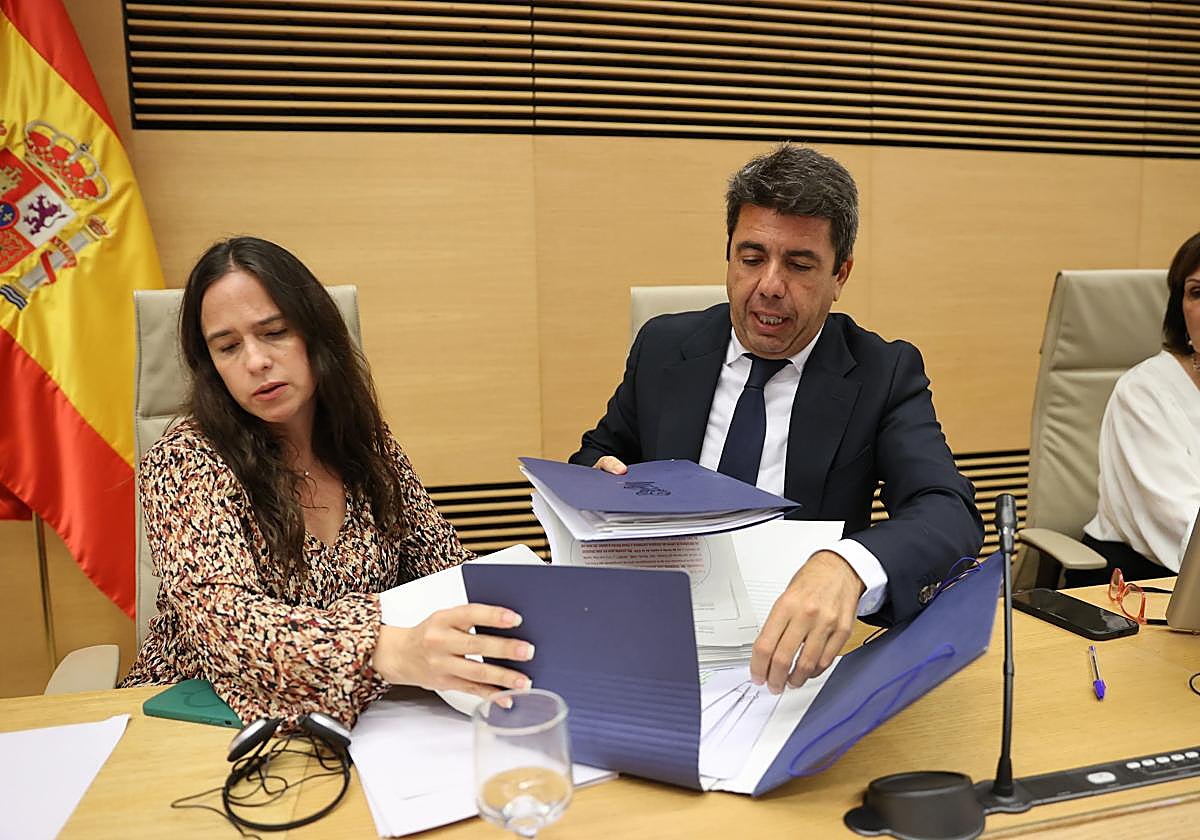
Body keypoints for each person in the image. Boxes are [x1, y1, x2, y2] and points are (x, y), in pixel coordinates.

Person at [570, 143, 983, 694]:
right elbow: (598, 455)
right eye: (752, 257)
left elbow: (947, 512)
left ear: (841, 274)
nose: (769, 284)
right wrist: (600, 485)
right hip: (658, 638)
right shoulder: (664, 349)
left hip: (799, 656)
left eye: (799, 263)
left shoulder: (882, 372)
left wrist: (848, 564)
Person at [120, 237, 533, 726]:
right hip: (197, 715)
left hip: (362, 716)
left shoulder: (366, 442)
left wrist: (528, 605)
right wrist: (384, 647)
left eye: (273, 333)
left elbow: (443, 571)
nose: (255, 362)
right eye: (228, 347)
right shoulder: (183, 459)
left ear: (316, 334)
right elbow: (226, 623)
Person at [1075, 232, 1200, 587]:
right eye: (1197, 293)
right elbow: (1185, 526)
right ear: (1181, 308)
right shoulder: (1143, 393)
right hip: (1138, 588)